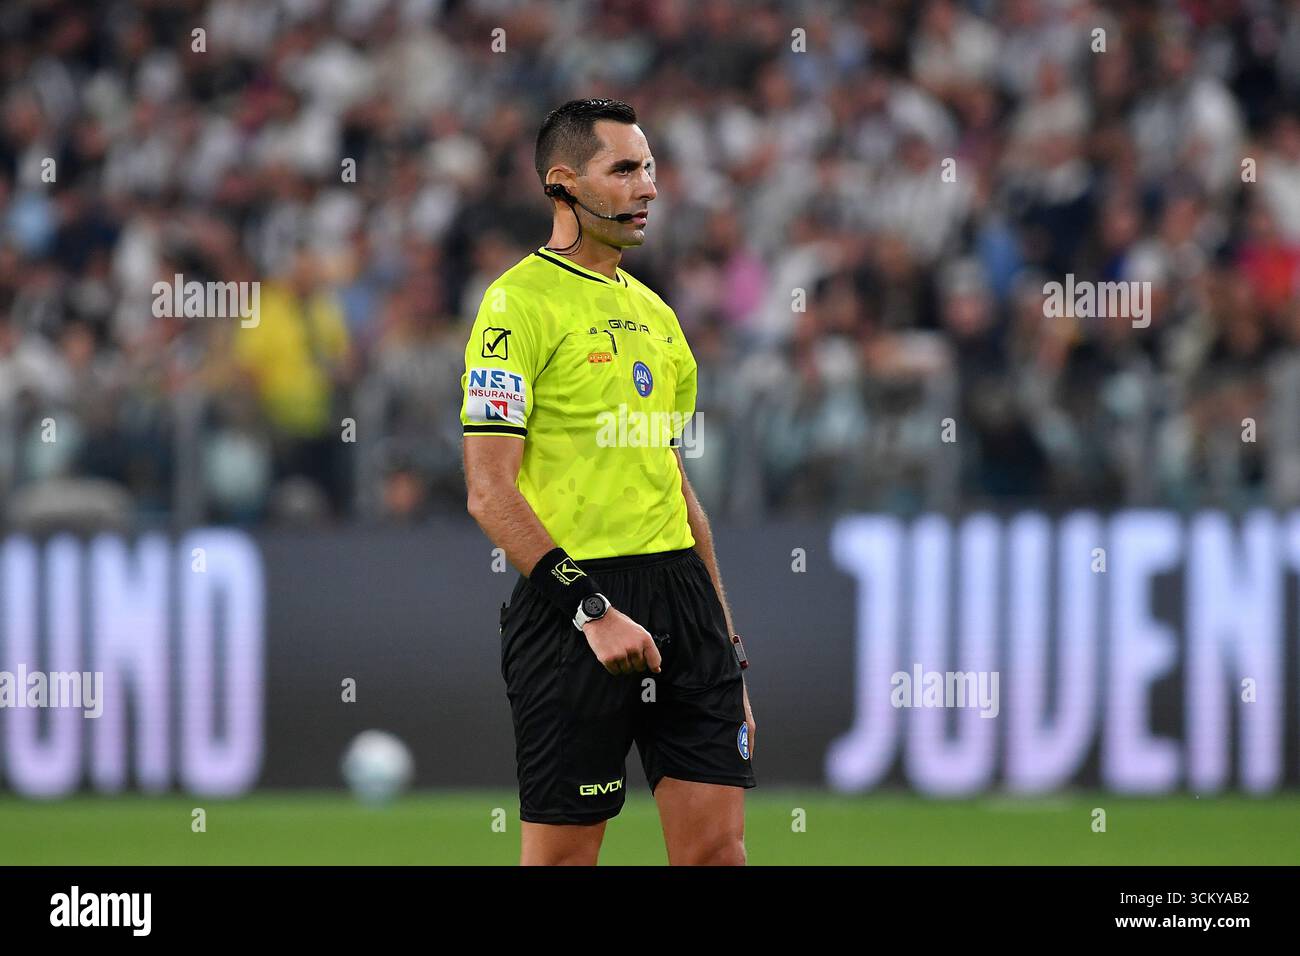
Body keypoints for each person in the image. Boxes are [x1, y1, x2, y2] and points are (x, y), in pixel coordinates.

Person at [460, 98, 756, 865]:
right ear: (562, 183)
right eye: (624, 169)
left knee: (717, 855)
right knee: (563, 859)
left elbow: (674, 483)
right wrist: (591, 609)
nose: (648, 188)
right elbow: (490, 491)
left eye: (651, 169)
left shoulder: (659, 315)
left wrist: (721, 639)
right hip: (573, 607)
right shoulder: (514, 306)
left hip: (682, 600)